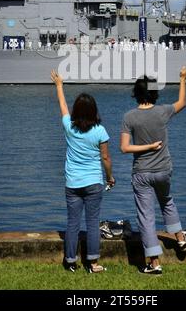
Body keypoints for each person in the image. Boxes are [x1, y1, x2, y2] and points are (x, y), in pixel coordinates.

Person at [120, 64, 186, 275]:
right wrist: (182, 78)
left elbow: (125, 148)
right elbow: (182, 103)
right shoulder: (163, 112)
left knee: (146, 217)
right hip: (163, 169)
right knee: (167, 201)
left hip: (141, 172)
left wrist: (146, 147)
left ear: (136, 94)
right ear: (154, 93)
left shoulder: (129, 117)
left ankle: (154, 264)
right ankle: (180, 239)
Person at [51, 70, 115, 273]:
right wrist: (110, 177)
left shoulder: (69, 127)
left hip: (72, 183)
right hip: (94, 183)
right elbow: (106, 158)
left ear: (76, 111)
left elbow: (62, 107)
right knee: (93, 222)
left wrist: (59, 85)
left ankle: (70, 261)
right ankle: (93, 263)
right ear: (94, 110)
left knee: (72, 223)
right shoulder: (100, 131)